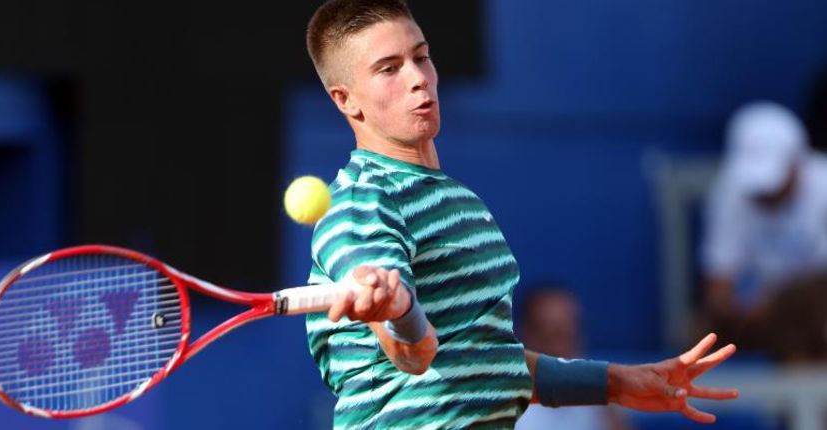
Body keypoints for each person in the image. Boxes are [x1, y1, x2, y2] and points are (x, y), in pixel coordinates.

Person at [303, 1, 738, 428]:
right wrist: (398, 312)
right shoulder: (362, 206)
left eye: (421, 57)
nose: (418, 79)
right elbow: (411, 355)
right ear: (346, 100)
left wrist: (617, 382)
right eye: (389, 69)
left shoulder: (455, 199)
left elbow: (488, 360)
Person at [699, 101, 827, 360]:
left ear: (797, 162)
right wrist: (733, 309)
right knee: (700, 334)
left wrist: (777, 303)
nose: (764, 194)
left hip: (813, 308)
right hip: (762, 315)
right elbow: (718, 282)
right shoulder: (730, 190)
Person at [515, 285, 631, 430]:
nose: (562, 348)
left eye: (569, 334)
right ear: (526, 335)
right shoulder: (502, 405)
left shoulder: (602, 399)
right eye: (553, 334)